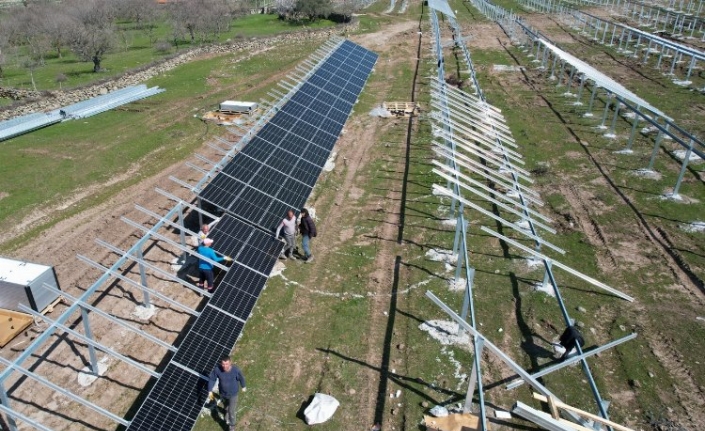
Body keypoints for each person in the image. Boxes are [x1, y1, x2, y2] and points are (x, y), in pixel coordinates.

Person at [207, 355, 246, 431]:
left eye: (226, 364)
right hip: (223, 394)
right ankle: (227, 416)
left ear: (230, 363)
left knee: (231, 411)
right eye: (223, 364)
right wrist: (209, 390)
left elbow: (241, 378)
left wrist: (243, 386)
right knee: (226, 407)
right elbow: (212, 379)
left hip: (233, 394)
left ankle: (232, 425)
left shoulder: (235, 370)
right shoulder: (217, 370)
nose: (224, 366)